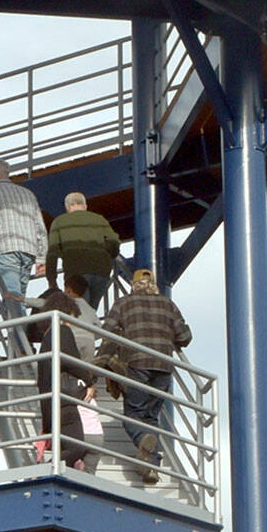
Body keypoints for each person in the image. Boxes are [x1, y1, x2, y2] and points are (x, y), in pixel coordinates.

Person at [101, 268, 192, 485]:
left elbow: (107, 331)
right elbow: (185, 337)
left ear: (133, 286)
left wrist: (102, 359)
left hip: (137, 362)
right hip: (163, 366)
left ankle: (143, 440)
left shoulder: (123, 303)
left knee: (133, 414)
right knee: (151, 417)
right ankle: (151, 468)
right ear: (154, 285)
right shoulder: (168, 305)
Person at [28, 288, 92, 468]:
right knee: (77, 447)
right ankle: (45, 469)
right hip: (63, 400)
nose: (72, 324)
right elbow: (71, 361)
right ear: (67, 313)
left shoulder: (47, 337)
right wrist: (89, 380)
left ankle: (52, 468)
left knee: (68, 448)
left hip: (50, 404)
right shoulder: (62, 330)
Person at [0, 160, 48, 312]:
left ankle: (19, 334)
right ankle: (16, 332)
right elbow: (40, 228)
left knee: (13, 297)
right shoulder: (28, 194)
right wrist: (41, 257)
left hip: (6, 248)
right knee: (19, 297)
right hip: (29, 251)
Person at [46, 192, 121, 308]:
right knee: (91, 310)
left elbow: (52, 253)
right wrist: (108, 256)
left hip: (76, 272)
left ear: (67, 207)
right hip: (102, 272)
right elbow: (114, 242)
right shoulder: (99, 220)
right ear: (85, 206)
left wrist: (52, 280)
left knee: (79, 311)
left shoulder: (59, 222)